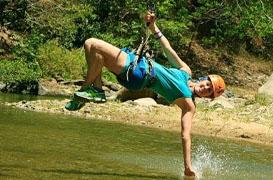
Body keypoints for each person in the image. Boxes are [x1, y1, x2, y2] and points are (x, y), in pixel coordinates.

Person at [65, 11, 226, 177]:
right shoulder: (186, 71)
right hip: (136, 60)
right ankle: (96, 89)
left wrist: (188, 167)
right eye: (207, 84)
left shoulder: (189, 105)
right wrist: (153, 26)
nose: (205, 88)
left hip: (139, 74)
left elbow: (185, 136)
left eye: (209, 91)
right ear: (203, 78)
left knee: (94, 44)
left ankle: (87, 90)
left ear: (208, 97)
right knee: (91, 48)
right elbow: (167, 48)